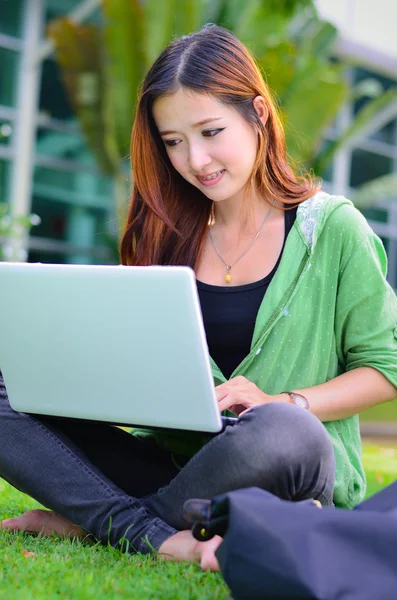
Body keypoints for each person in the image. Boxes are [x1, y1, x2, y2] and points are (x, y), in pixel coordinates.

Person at [1, 24, 396, 572]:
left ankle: (104, 520)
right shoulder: (166, 235)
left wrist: (282, 402)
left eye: (211, 132)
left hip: (278, 467)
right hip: (177, 471)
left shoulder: (331, 229)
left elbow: (386, 369)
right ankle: (159, 531)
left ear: (258, 113)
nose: (196, 160)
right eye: (173, 142)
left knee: (289, 433)